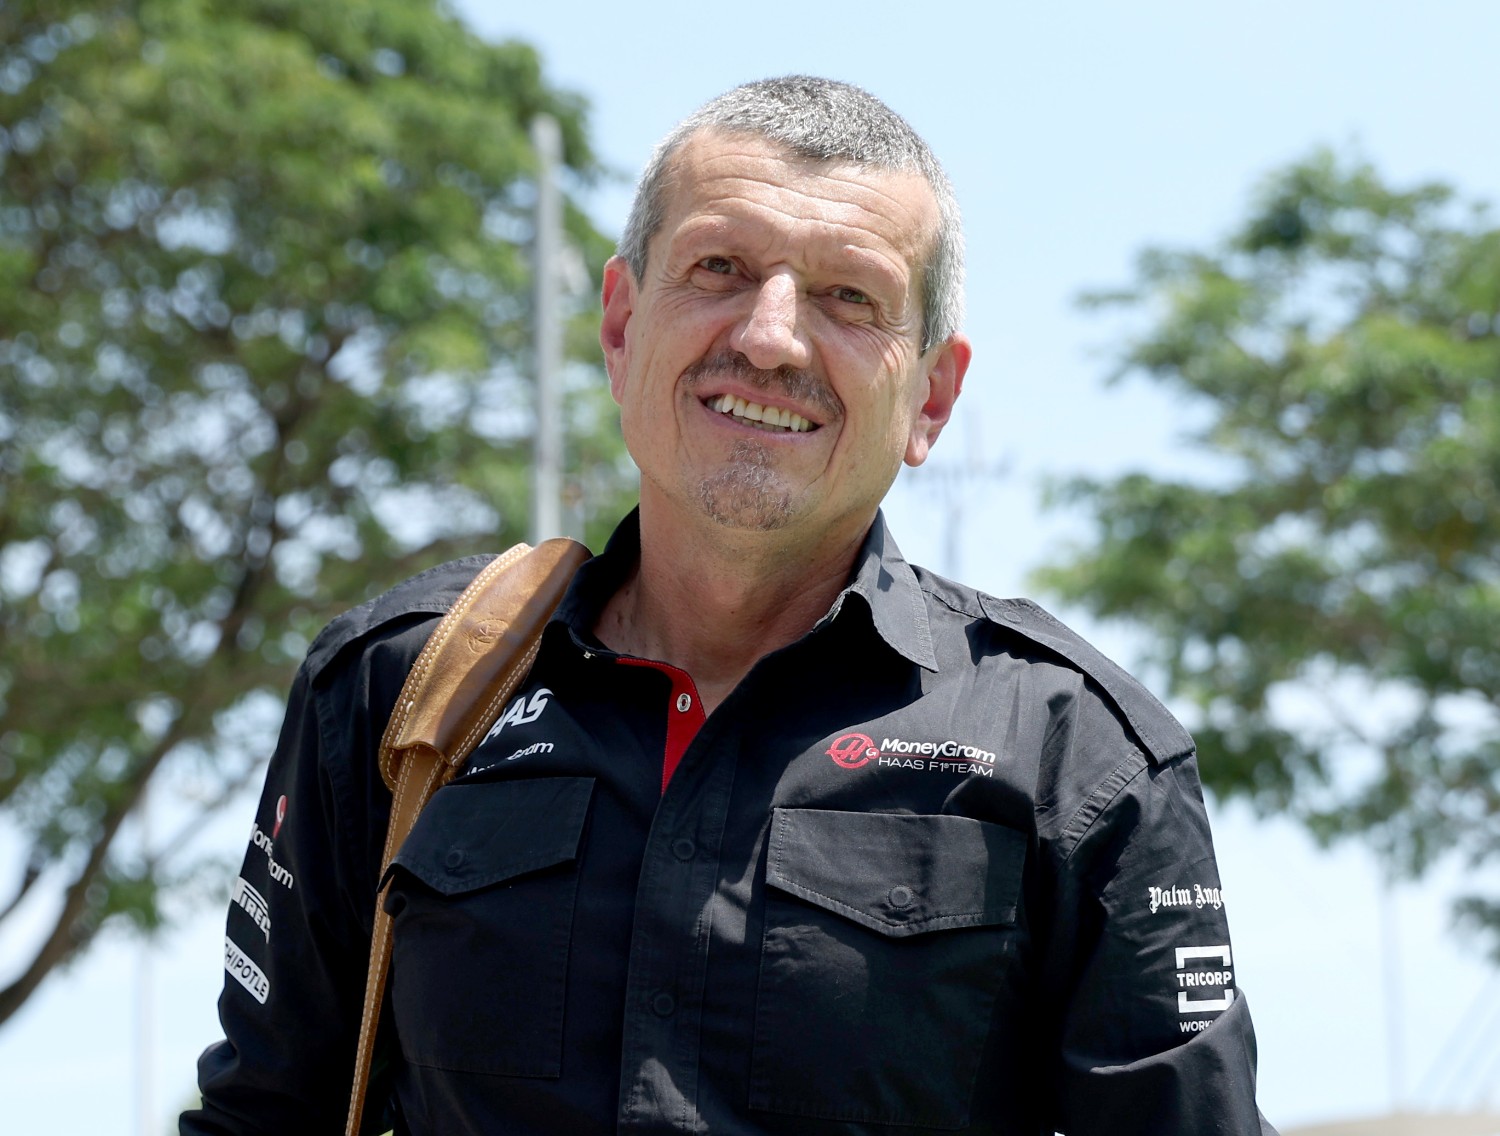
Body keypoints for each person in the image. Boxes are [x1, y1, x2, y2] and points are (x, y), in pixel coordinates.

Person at [183, 76, 1277, 1135]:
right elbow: (259, 1117)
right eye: (719, 267)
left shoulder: (1075, 752)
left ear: (930, 395)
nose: (769, 336)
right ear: (620, 327)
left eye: (851, 297)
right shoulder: (401, 692)